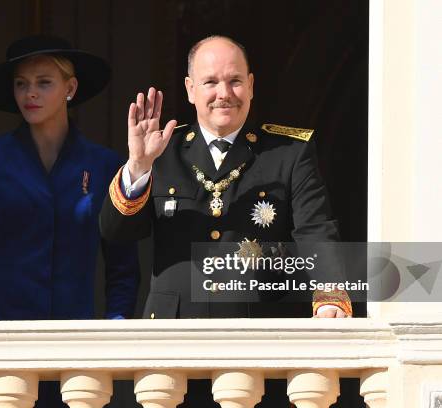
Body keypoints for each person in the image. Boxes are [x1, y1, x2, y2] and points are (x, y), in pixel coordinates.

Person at [100, 35, 355, 407]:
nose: (225, 93)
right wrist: (138, 166)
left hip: (260, 344)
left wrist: (330, 296)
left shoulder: (289, 153)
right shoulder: (162, 152)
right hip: (172, 347)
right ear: (190, 89)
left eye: (235, 81)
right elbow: (115, 232)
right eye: (210, 82)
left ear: (251, 85)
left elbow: (316, 231)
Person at [0, 35, 140, 408]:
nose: (30, 93)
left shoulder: (104, 164)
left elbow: (123, 266)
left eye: (44, 82)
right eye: (21, 83)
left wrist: (114, 326)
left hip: (77, 356)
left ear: (70, 87)